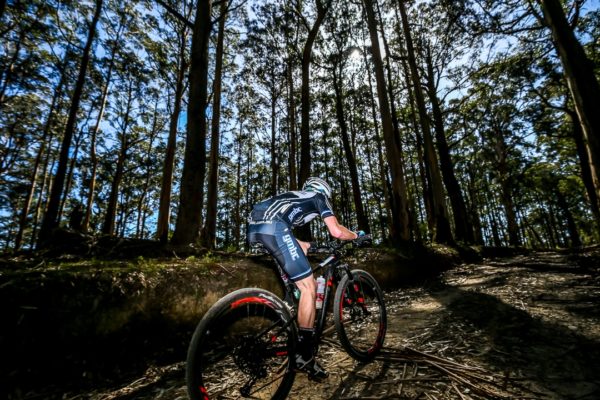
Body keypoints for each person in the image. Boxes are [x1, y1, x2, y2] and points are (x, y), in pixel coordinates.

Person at [247, 177, 360, 380]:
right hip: (275, 227)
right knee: (308, 287)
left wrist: (306, 244)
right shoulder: (318, 197)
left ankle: (288, 310)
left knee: (296, 286)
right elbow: (336, 231)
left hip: (256, 227)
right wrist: (355, 235)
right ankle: (305, 355)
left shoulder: (295, 197)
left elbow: (281, 226)